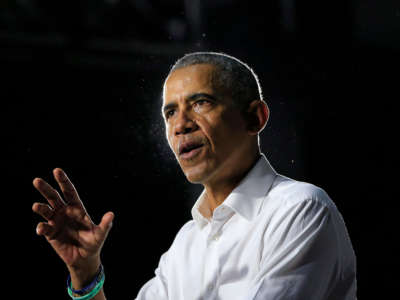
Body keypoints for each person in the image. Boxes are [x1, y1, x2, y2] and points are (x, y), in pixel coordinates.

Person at [32, 52, 357, 300]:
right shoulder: (187, 242)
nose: (180, 124)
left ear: (255, 118)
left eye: (200, 102)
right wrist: (86, 274)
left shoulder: (299, 209)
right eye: (170, 111)